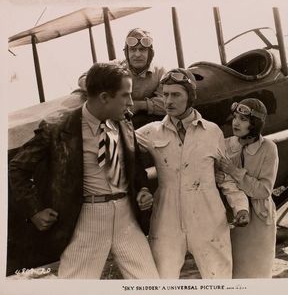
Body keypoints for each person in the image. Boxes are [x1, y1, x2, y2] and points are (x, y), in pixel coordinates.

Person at [9, 62, 159, 279]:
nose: (130, 102)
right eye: (125, 95)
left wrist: (143, 188)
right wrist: (34, 209)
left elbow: (134, 165)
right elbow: (18, 167)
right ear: (105, 97)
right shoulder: (57, 128)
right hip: (89, 218)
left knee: (149, 282)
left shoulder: (124, 121)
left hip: (127, 218)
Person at [136, 68, 250, 279]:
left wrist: (240, 206)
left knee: (219, 281)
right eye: (165, 94)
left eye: (176, 94)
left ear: (190, 97)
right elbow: (119, 149)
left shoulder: (212, 131)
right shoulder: (150, 132)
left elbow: (225, 176)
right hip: (166, 221)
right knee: (162, 281)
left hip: (208, 218)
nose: (168, 100)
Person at [217, 98, 279, 278]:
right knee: (234, 275)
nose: (236, 122)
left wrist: (235, 172)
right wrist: (217, 176)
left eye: (243, 119)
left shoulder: (269, 148)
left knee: (258, 274)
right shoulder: (227, 144)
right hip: (234, 219)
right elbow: (218, 178)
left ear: (255, 124)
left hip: (260, 220)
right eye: (235, 117)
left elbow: (263, 191)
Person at [78, 28, 166, 126]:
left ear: (150, 53)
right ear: (126, 53)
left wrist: (140, 105)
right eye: (133, 50)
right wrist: (106, 92)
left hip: (142, 120)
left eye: (142, 49)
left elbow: (168, 104)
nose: (137, 54)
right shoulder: (116, 66)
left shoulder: (160, 72)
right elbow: (84, 78)